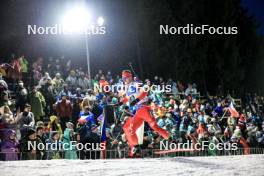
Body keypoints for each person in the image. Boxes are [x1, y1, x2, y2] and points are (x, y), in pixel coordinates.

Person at [119, 70, 170, 157]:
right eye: (123, 78)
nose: (124, 80)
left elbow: (145, 92)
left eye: (125, 78)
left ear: (130, 77)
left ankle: (169, 138)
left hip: (144, 108)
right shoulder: (128, 88)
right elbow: (127, 99)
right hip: (138, 112)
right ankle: (136, 147)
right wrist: (120, 103)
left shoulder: (136, 83)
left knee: (154, 126)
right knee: (131, 129)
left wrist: (136, 100)